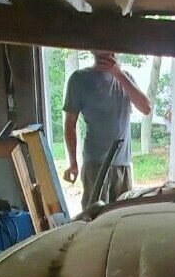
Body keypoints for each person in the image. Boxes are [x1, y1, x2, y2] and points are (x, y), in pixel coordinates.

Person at [63, 52, 153, 209]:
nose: (106, 53)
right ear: (93, 50)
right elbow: (70, 124)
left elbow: (146, 108)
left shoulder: (125, 78)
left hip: (122, 165)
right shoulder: (79, 79)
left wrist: (118, 74)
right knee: (94, 215)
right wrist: (73, 163)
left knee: (123, 215)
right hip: (95, 165)